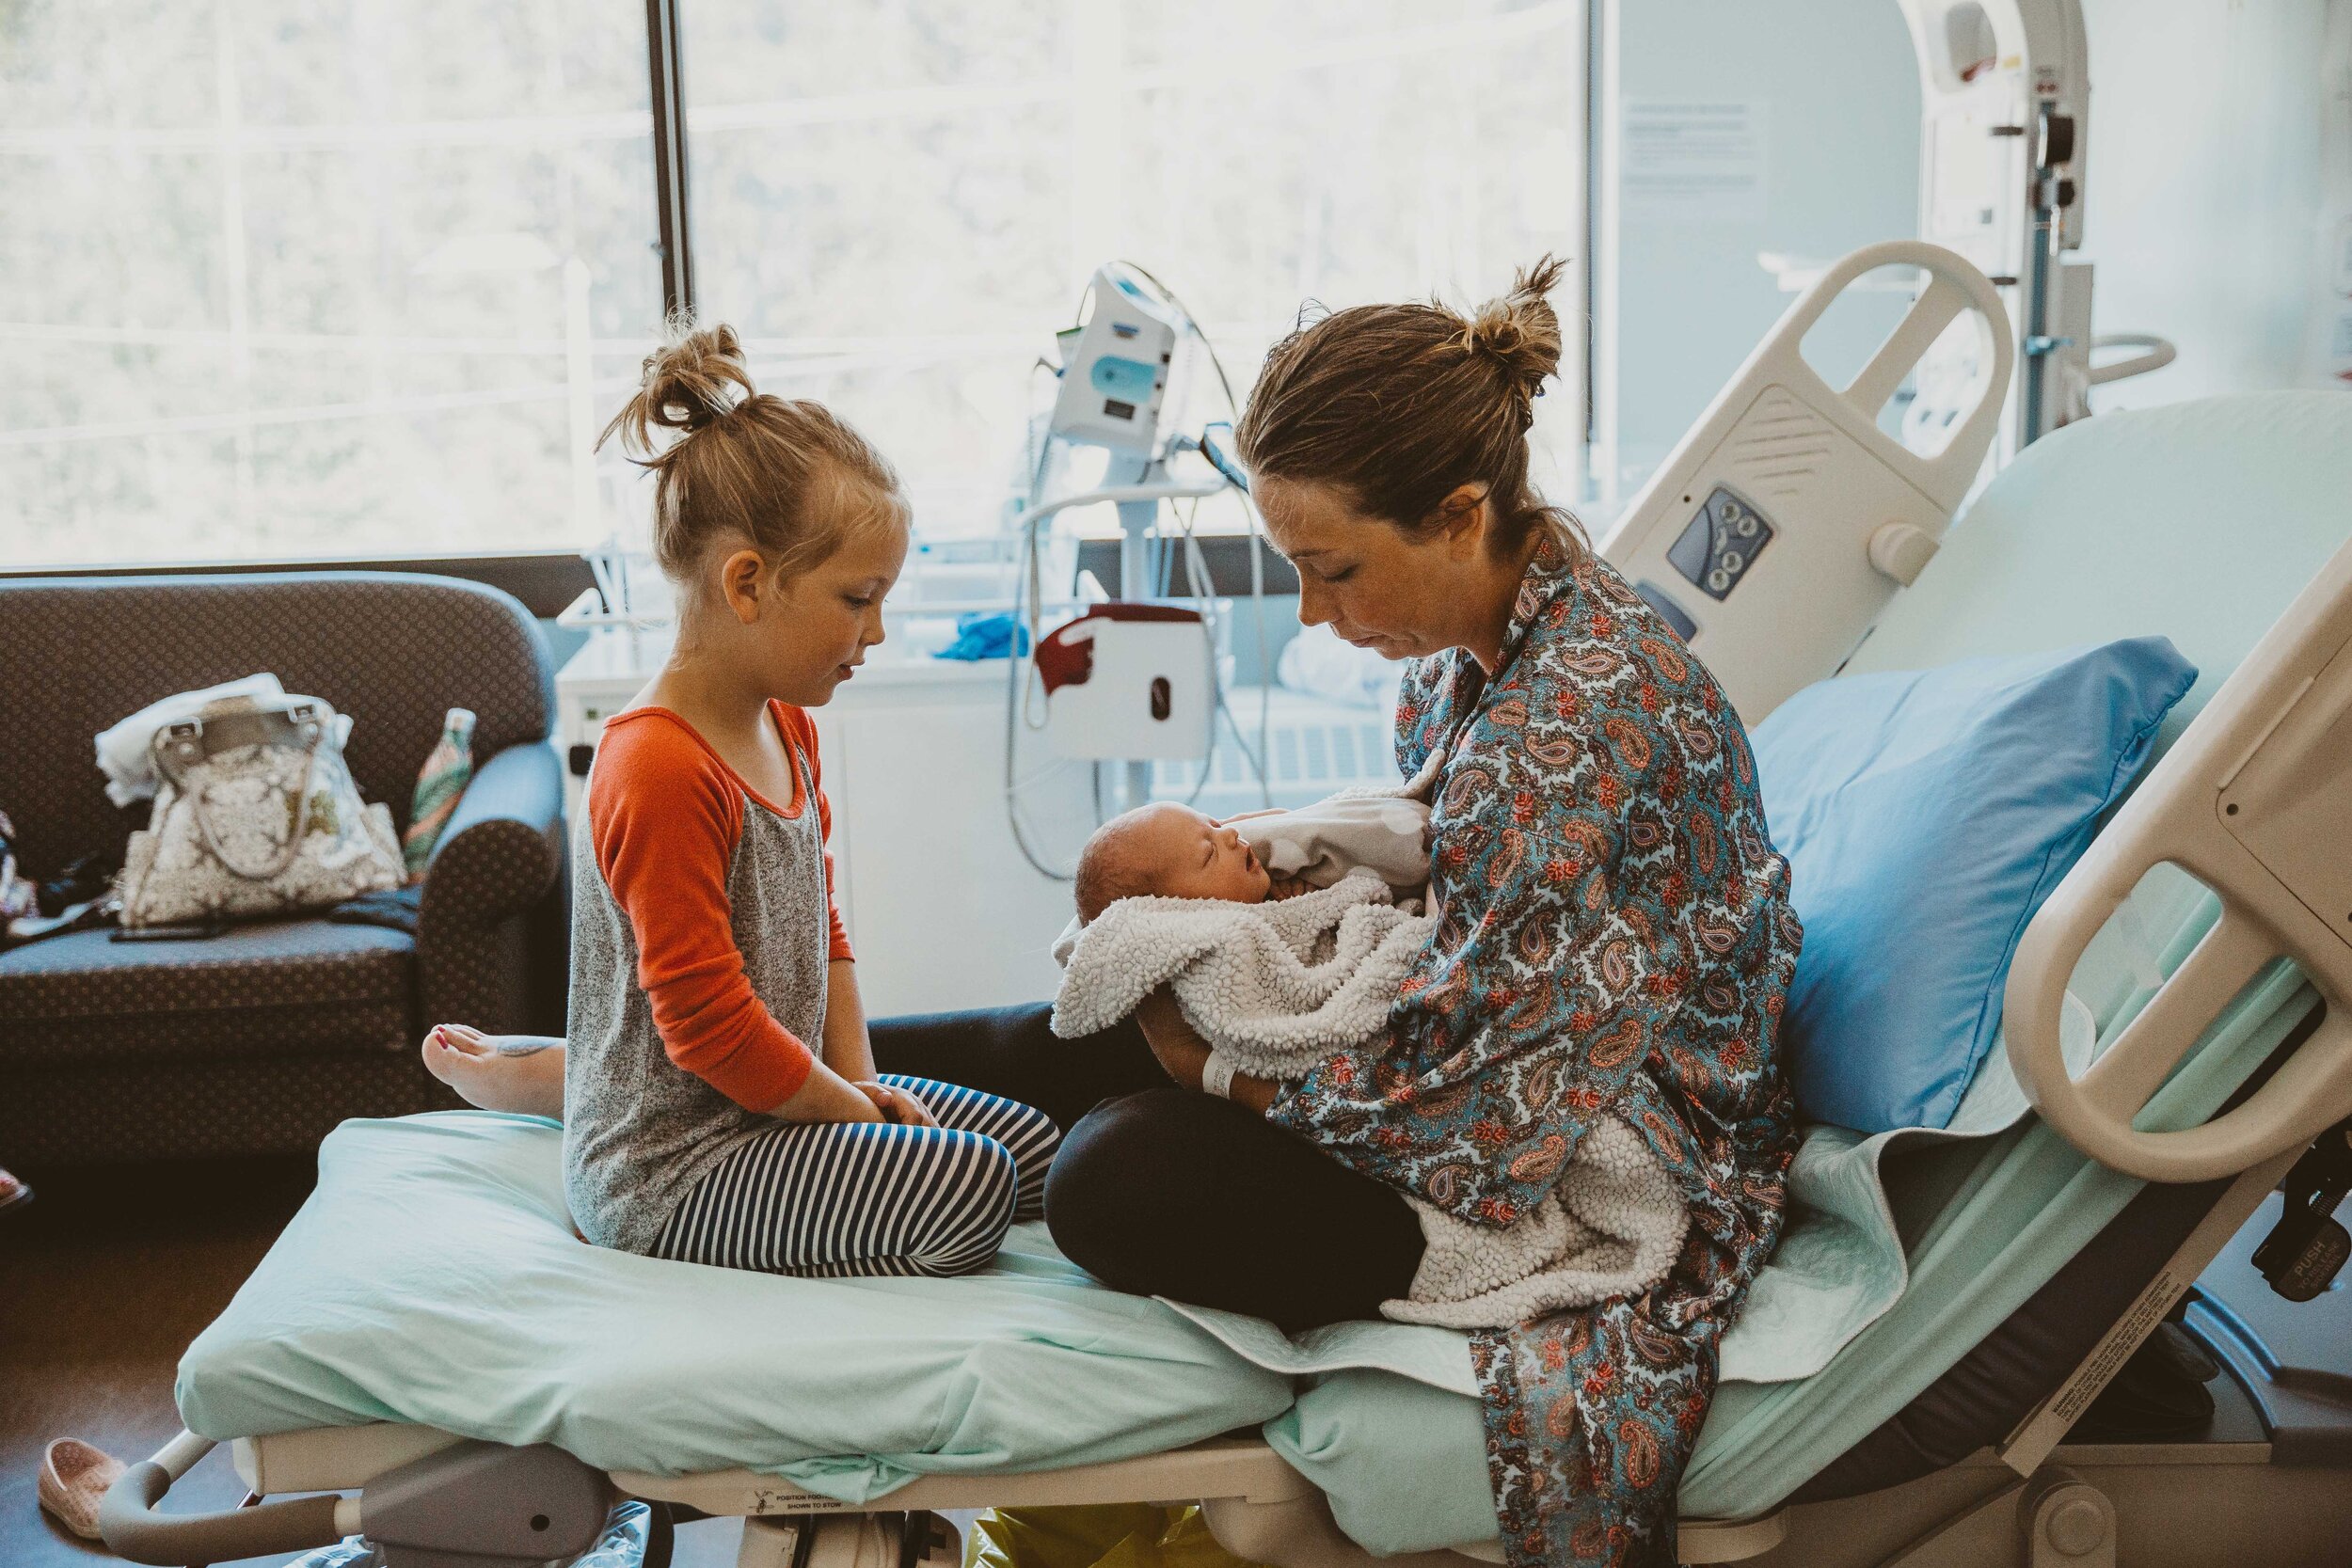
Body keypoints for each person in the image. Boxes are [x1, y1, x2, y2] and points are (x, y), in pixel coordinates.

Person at [1043, 259, 1801, 1568]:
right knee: (1082, 1001)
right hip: (1469, 1044)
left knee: (1114, 1169)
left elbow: (1487, 1115)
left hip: (1587, 1150)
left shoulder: (1570, 728)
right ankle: (789, 1122)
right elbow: (1441, 916)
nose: (1315, 612)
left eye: (1332, 568)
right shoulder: (1481, 647)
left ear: (1459, 513)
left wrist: (1224, 1070)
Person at [504, 319, 1061, 1282]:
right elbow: (708, 1023)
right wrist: (856, 1124)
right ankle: (558, 1087)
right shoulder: (658, 766)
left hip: (776, 1104)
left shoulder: (787, 725)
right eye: (857, 598)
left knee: (1042, 1152)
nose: (877, 629)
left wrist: (861, 1085)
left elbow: (824, 927)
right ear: (749, 583)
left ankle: (555, 1074)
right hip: (676, 1163)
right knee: (968, 1190)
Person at [1071, 792, 1429, 922]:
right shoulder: (1234, 941)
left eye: (1212, 823)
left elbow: (1301, 823)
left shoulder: (1269, 882)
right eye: (1209, 852)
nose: (1229, 834)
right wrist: (1317, 914)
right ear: (1178, 911)